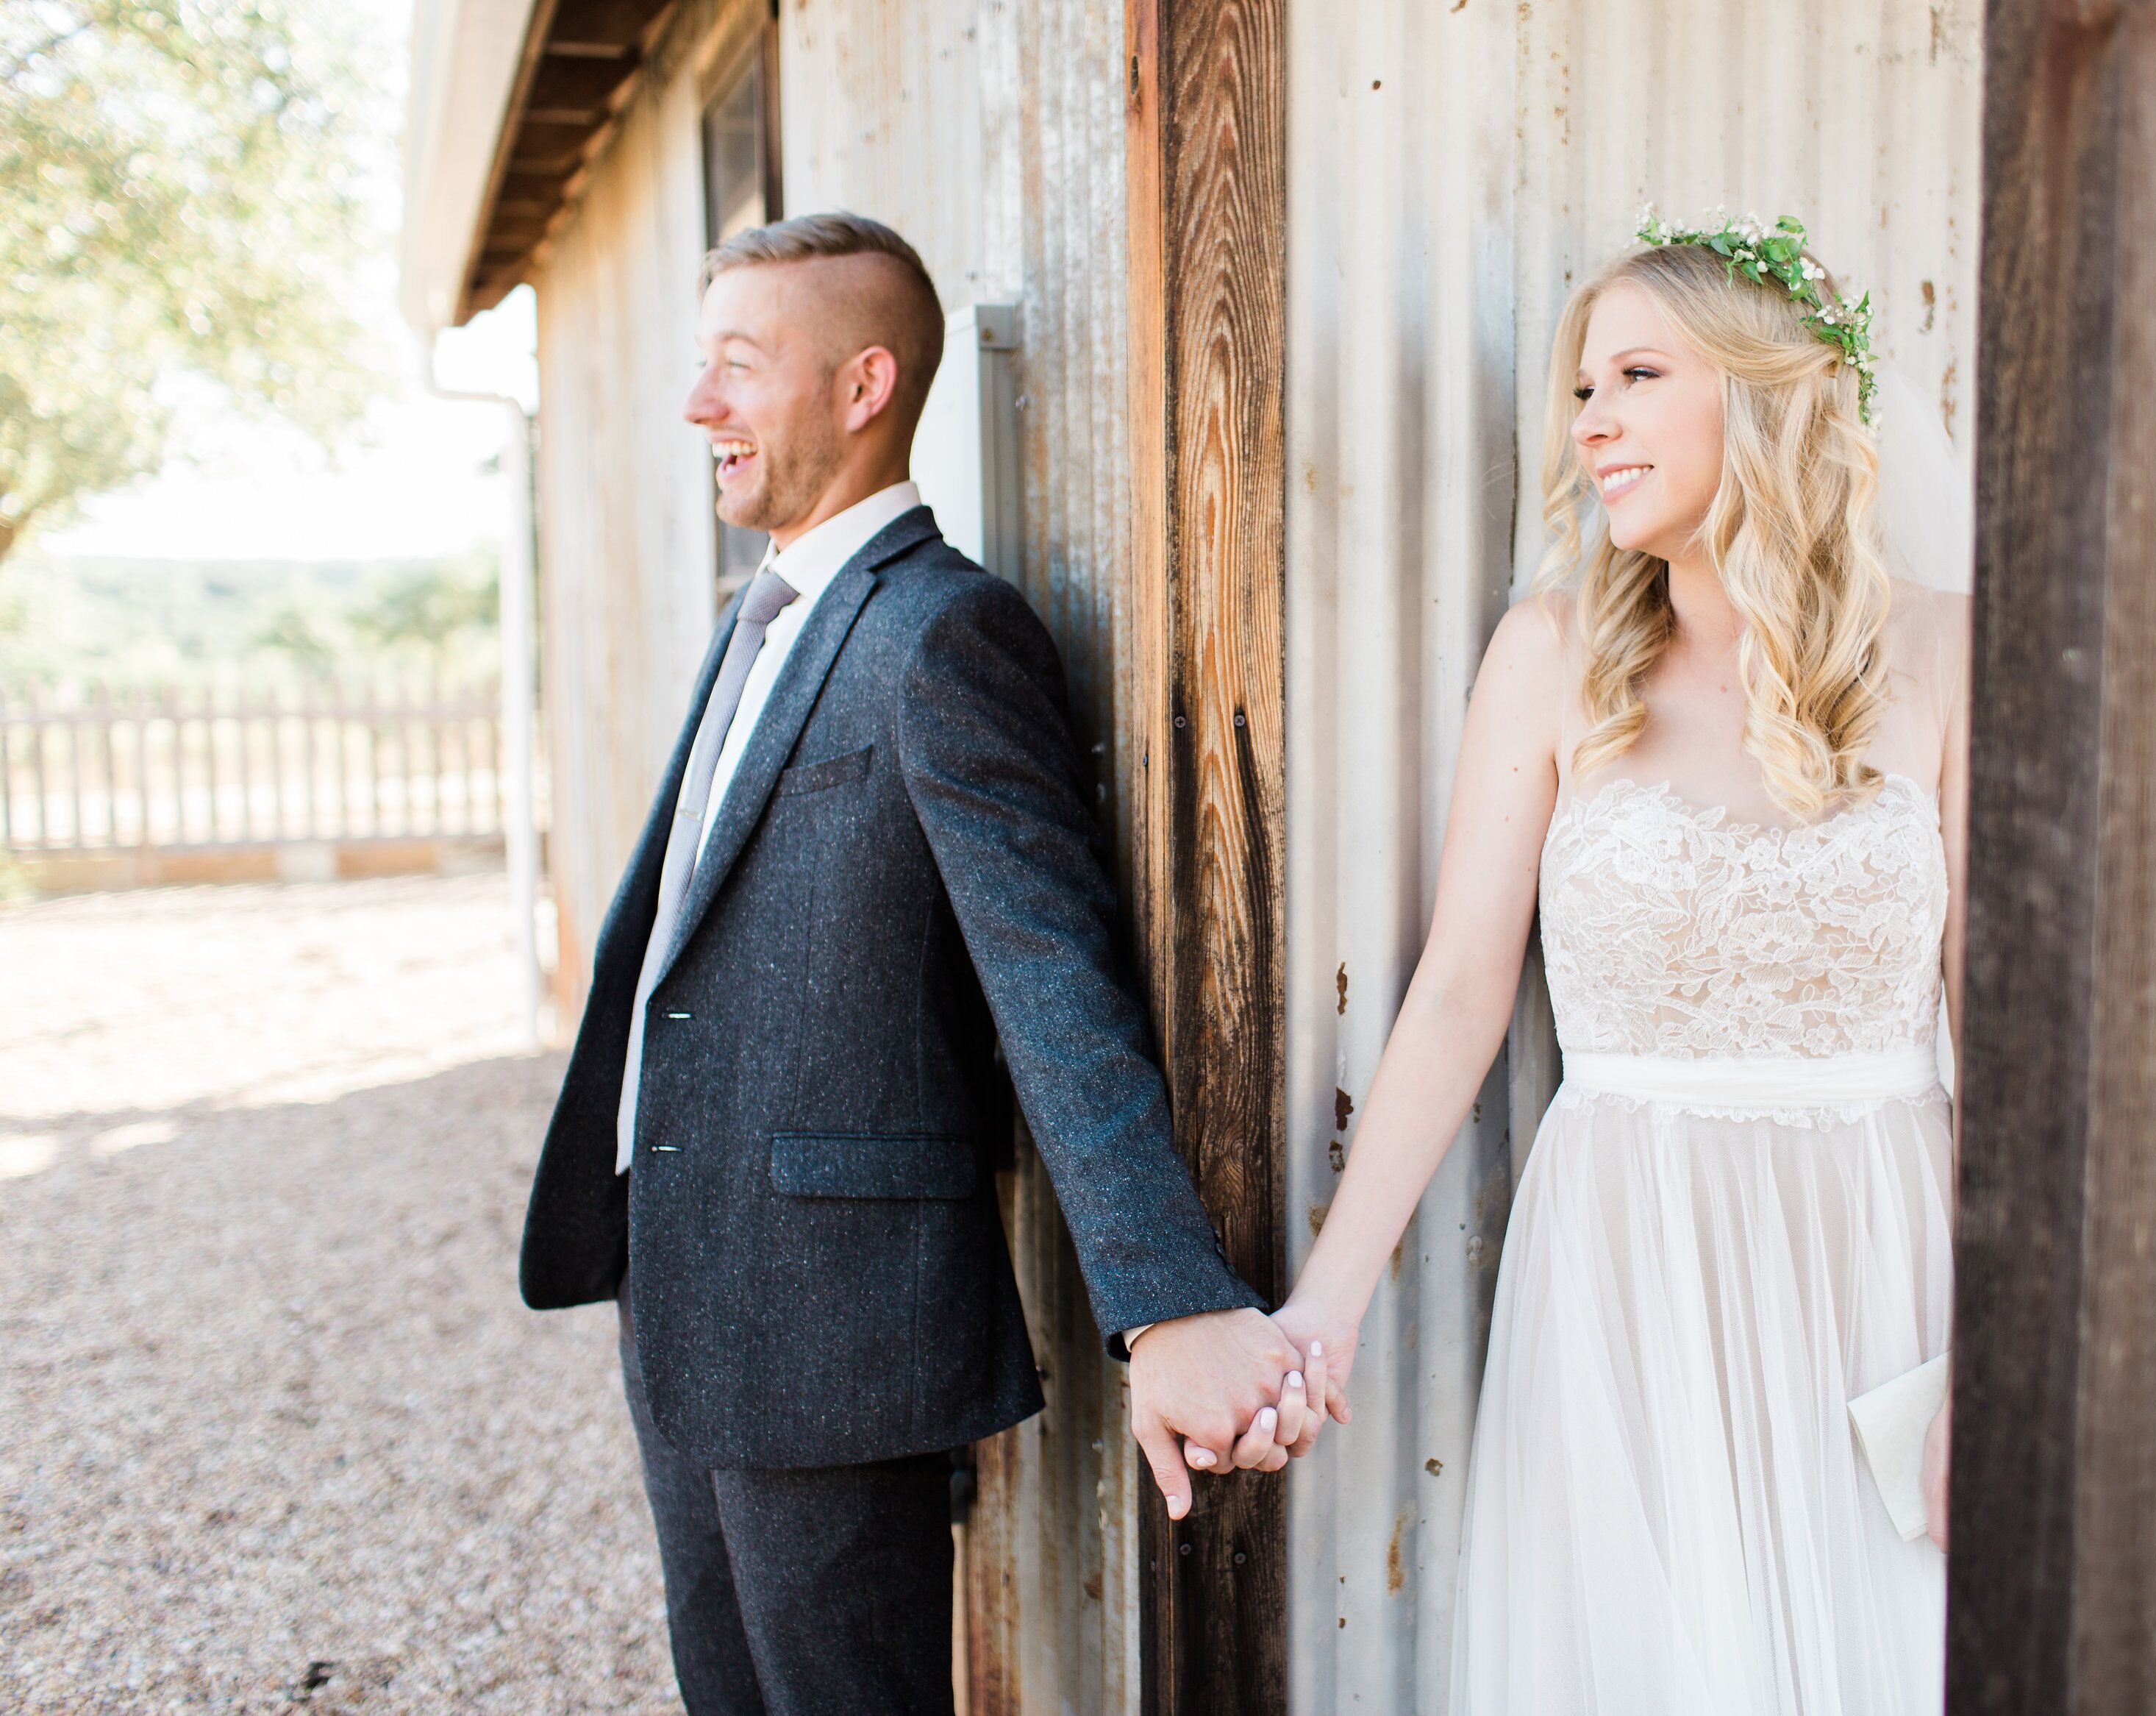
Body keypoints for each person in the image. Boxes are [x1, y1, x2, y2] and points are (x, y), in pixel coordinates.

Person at [515, 212, 1321, 1716]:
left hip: (828, 1314)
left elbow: (1053, 980)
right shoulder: (754, 620)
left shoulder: (944, 636)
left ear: (863, 384)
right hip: (682, 1276)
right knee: (725, 1686)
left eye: (737, 370)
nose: (699, 408)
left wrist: (1162, 1297)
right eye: (700, 370)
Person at [1252, 217, 1967, 1712]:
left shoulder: (1954, 654)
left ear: (1768, 395)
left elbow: (2011, 1039)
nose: (1591, 423)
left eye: (1637, 374)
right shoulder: (1553, 654)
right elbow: (1457, 993)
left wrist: (2000, 1353)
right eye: (1583, 389)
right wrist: (1325, 1301)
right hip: (1631, 1257)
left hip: (1887, 1257)